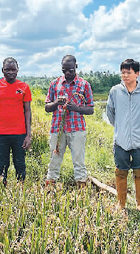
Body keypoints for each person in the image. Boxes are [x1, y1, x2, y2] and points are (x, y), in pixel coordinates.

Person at [106, 59, 140, 215]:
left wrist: (139, 129)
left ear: (137, 74)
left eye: (128, 72)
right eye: (123, 72)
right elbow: (110, 113)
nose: (125, 75)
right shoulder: (115, 91)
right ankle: (121, 205)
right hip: (120, 140)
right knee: (121, 171)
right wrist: (121, 128)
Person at [45, 55, 94, 188]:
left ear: (76, 67)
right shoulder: (54, 84)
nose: (67, 73)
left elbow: (91, 109)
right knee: (54, 160)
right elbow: (47, 108)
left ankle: (82, 189)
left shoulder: (84, 84)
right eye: (64, 70)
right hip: (57, 129)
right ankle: (50, 188)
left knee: (79, 161)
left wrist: (76, 108)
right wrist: (56, 103)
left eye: (70, 70)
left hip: (77, 129)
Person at [0, 57, 32, 185]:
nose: (10, 72)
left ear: (18, 70)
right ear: (2, 70)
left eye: (13, 69)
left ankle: (21, 192)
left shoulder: (24, 87)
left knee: (20, 163)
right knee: (2, 165)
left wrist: (28, 135)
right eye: (7, 70)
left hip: (19, 133)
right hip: (1, 134)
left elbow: (28, 111)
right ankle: (1, 192)